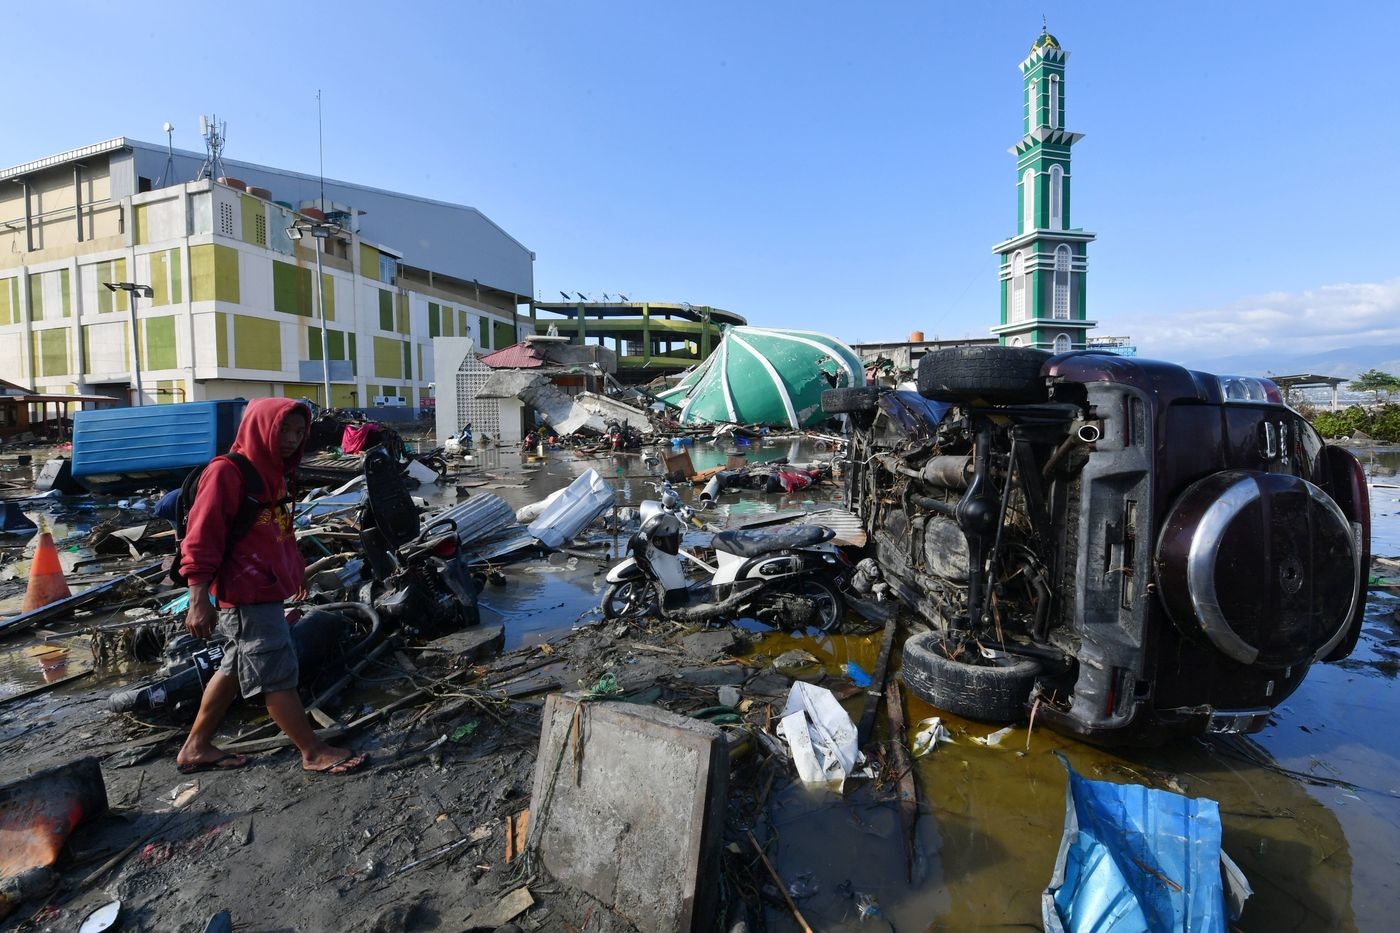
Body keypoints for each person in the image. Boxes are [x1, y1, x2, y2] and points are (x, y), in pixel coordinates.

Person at [175, 397, 368, 776]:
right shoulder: (227, 472)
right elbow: (201, 539)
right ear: (261, 425)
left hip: (262, 587)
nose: (292, 439)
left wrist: (294, 570)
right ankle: (311, 751)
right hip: (244, 594)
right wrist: (198, 600)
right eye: (284, 429)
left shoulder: (273, 472)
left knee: (233, 667)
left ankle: (195, 747)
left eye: (299, 431)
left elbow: (277, 531)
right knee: (275, 672)